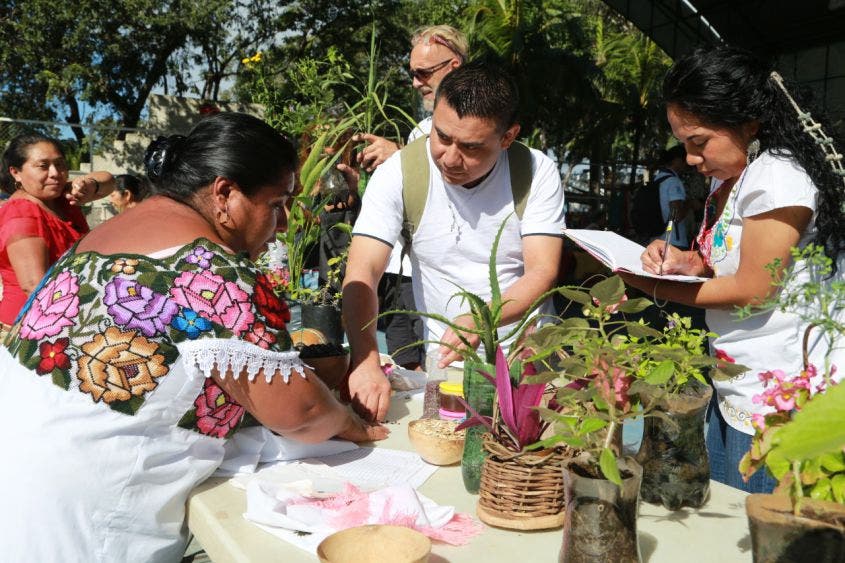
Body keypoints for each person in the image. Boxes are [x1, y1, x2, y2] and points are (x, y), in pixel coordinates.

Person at [0, 113, 387, 561]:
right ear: (224, 193)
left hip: (23, 489)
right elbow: (300, 414)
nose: (282, 224)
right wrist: (354, 425)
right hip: (89, 522)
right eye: (277, 203)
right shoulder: (209, 269)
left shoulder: (104, 235)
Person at [619, 46, 845, 493]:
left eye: (698, 142)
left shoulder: (777, 176)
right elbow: (730, 259)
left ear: (748, 123)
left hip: (781, 397)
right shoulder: (734, 178)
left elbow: (754, 289)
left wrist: (655, 287)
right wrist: (687, 263)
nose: (689, 158)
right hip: (739, 383)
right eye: (683, 144)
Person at [342, 61, 566, 421]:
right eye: (442, 136)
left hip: (523, 365)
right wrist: (365, 357)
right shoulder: (399, 172)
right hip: (444, 367)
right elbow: (362, 271)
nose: (449, 158)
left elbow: (542, 271)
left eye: (471, 147)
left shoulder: (536, 173)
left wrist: (479, 321)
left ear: (507, 137)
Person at [343, 25, 468, 371]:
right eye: (411, 73)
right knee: (404, 357)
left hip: (434, 273)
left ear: (454, 67)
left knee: (435, 362)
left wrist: (400, 154)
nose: (415, 82)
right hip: (400, 267)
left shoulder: (471, 131)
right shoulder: (419, 129)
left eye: (423, 73)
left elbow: (457, 190)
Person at [0, 134, 116, 336]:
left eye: (60, 164)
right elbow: (35, 288)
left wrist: (89, 184)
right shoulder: (22, 213)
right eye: (43, 166)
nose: (55, 173)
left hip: (64, 318)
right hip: (31, 329)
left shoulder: (61, 198)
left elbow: (109, 180)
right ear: (16, 172)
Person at [654, 145, 689, 248]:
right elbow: (676, 215)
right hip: (673, 241)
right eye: (685, 160)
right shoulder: (673, 182)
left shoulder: (657, 180)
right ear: (677, 160)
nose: (687, 164)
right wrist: (690, 204)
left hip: (656, 239)